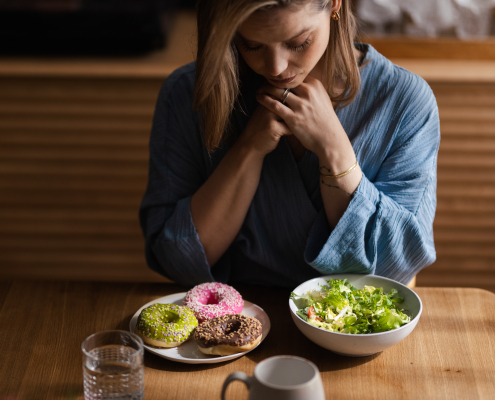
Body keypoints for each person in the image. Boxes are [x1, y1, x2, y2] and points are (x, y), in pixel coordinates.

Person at [139, 0, 440, 288]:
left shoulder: (405, 102)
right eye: (251, 45)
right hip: (231, 325)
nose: (276, 68)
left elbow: (396, 266)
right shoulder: (187, 95)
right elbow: (174, 260)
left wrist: (334, 151)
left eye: (298, 43)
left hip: (352, 334)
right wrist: (248, 149)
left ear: (334, 4)